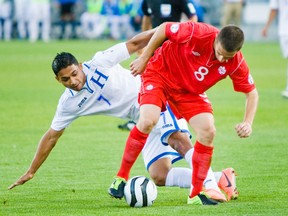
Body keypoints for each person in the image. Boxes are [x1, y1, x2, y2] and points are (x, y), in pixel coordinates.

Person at [8, 27, 236, 203]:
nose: (74, 81)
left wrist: (163, 32)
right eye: (66, 80)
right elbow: (51, 136)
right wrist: (31, 171)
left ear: (79, 65)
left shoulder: (100, 62)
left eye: (75, 74)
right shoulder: (68, 103)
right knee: (159, 175)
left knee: (177, 139)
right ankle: (220, 178)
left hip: (156, 94)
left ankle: (209, 187)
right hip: (141, 120)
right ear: (58, 80)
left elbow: (135, 42)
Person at [109, 22, 258, 205]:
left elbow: (251, 93)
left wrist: (248, 122)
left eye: (228, 57)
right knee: (148, 120)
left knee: (208, 131)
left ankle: (196, 194)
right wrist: (144, 59)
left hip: (188, 93)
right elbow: (164, 28)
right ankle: (121, 177)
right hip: (160, 75)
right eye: (219, 53)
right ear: (216, 38)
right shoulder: (198, 32)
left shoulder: (236, 62)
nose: (221, 59)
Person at [117, 0, 198, 130]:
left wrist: (188, 39)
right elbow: (147, 18)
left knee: (173, 85)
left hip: (174, 49)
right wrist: (143, 45)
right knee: (144, 83)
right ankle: (139, 118)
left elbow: (193, 17)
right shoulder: (148, 1)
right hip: (153, 48)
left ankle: (173, 119)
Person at [262, 0, 288, 98]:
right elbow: (274, 9)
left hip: (284, 32)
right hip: (284, 31)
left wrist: (266, 26)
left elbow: (273, 9)